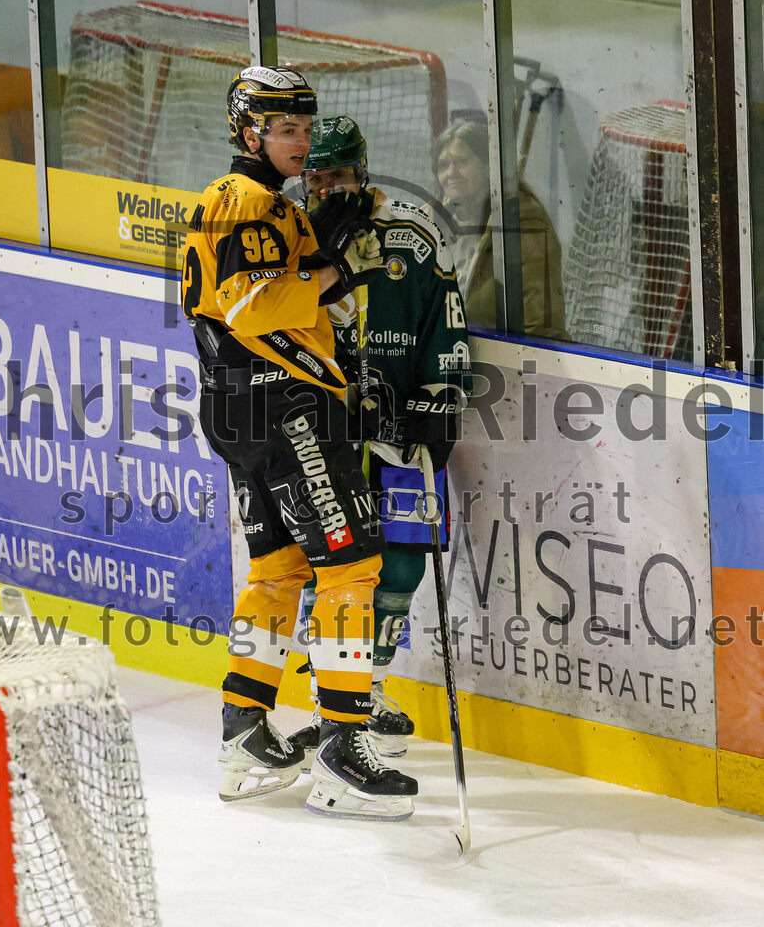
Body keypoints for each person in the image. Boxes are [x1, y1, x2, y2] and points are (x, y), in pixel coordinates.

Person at [182, 67, 418, 820]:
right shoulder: (250, 204)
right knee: (351, 568)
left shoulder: (243, 202)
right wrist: (343, 257)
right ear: (248, 132)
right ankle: (345, 747)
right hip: (283, 407)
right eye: (287, 130)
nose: (301, 142)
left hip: (239, 409)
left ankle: (244, 728)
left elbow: (294, 287)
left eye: (306, 130)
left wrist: (330, 236)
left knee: (280, 570)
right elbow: (262, 307)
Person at [288, 115, 470, 762]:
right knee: (334, 564)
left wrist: (437, 399)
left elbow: (445, 323)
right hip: (328, 436)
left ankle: (371, 684)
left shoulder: (414, 236)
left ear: (362, 171)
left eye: (337, 173)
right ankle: (335, 701)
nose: (326, 186)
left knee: (403, 562)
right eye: (316, 174)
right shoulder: (288, 239)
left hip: (400, 435)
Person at [430, 119, 566, 339]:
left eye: (462, 162)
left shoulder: (522, 222)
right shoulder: (431, 220)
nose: (451, 173)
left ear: (487, 166)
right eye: (443, 166)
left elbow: (540, 324)